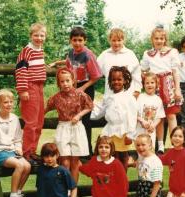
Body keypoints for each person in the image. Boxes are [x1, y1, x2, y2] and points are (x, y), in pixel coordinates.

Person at [45, 68, 93, 183]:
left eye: (67, 80)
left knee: (75, 161)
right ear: (58, 83)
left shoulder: (80, 94)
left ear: (73, 80)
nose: (65, 84)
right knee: (65, 161)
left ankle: (73, 190)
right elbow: (46, 109)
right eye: (62, 82)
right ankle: (65, 188)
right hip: (63, 128)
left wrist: (79, 115)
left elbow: (89, 106)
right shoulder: (56, 98)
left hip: (77, 128)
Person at [140, 26, 183, 154]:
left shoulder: (172, 52)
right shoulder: (148, 54)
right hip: (155, 85)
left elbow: (175, 71)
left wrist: (177, 89)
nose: (159, 41)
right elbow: (142, 69)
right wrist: (147, 80)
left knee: (171, 115)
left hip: (168, 84)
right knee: (158, 117)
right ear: (152, 40)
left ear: (165, 39)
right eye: (156, 38)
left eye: (161, 38)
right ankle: (160, 146)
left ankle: (177, 143)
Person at [90, 66, 138, 171]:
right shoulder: (108, 98)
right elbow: (100, 112)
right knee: (111, 156)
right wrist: (89, 110)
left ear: (125, 81)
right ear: (110, 81)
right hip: (110, 130)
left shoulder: (129, 97)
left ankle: (122, 180)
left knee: (122, 156)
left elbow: (133, 116)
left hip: (123, 131)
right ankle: (112, 179)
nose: (116, 82)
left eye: (119, 79)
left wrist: (130, 135)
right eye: (113, 80)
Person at [65, 26, 102, 155]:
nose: (77, 43)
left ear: (84, 40)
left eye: (80, 40)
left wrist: (83, 88)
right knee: (74, 118)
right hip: (74, 87)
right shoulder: (70, 53)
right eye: (74, 40)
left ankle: (87, 151)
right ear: (70, 40)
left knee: (85, 119)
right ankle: (75, 149)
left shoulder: (88, 55)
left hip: (86, 86)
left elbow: (96, 75)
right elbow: (69, 69)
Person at [15, 22, 47, 163]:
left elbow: (36, 67)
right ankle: (26, 152)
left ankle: (33, 151)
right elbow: (21, 70)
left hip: (40, 87)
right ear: (31, 36)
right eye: (36, 35)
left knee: (40, 121)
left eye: (42, 35)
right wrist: (23, 90)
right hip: (30, 87)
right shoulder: (26, 51)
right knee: (31, 122)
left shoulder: (39, 50)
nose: (39, 38)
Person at [97, 28, 142, 98]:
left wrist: (137, 90)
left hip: (127, 94)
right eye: (114, 40)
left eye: (119, 40)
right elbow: (96, 71)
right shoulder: (104, 55)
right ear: (109, 40)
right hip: (110, 94)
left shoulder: (130, 54)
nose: (116, 43)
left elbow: (137, 74)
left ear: (123, 40)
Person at [136, 71, 166, 149]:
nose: (150, 85)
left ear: (157, 84)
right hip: (139, 131)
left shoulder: (158, 99)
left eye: (152, 82)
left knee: (150, 151)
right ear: (143, 85)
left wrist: (154, 125)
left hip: (151, 132)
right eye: (147, 83)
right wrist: (142, 121)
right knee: (141, 151)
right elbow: (135, 114)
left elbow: (160, 116)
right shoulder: (140, 97)